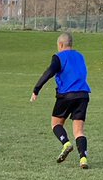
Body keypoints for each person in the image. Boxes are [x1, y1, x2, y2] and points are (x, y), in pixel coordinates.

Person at [30, 31, 90, 169]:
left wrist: (36, 89)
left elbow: (49, 72)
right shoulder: (80, 56)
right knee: (79, 131)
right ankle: (83, 159)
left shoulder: (59, 57)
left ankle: (66, 143)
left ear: (61, 44)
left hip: (66, 95)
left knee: (56, 124)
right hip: (83, 95)